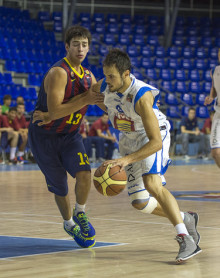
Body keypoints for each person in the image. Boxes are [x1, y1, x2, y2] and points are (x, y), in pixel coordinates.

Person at [91, 49, 202, 263]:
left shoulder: (142, 96)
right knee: (140, 202)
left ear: (126, 74)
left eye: (111, 76)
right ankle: (186, 218)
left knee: (152, 184)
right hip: (128, 138)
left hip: (153, 135)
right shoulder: (105, 86)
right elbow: (92, 97)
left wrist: (125, 160)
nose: (107, 81)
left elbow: (156, 142)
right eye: (105, 75)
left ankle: (185, 238)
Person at [28, 25, 104, 248]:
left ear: (88, 48)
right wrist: (86, 99)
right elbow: (53, 113)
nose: (80, 49)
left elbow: (100, 102)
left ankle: (80, 212)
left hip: (70, 135)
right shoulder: (59, 73)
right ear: (67, 46)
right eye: (76, 44)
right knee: (60, 186)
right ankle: (69, 223)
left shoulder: (89, 76)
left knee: (84, 173)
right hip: (45, 137)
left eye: (84, 45)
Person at [204, 48, 220, 168]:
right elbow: (214, 89)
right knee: (215, 153)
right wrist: (211, 97)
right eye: (219, 54)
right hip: (218, 113)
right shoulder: (214, 70)